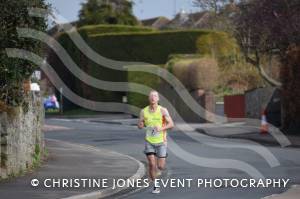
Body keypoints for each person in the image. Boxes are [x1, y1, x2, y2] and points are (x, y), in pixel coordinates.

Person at [138, 90, 174, 194]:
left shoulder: (163, 110)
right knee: (151, 164)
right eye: (151, 96)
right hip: (149, 141)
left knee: (161, 166)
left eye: (155, 96)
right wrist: (140, 125)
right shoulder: (143, 111)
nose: (153, 98)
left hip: (161, 142)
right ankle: (156, 185)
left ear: (158, 99)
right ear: (149, 99)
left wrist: (161, 128)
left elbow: (171, 124)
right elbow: (140, 124)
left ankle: (162, 157)